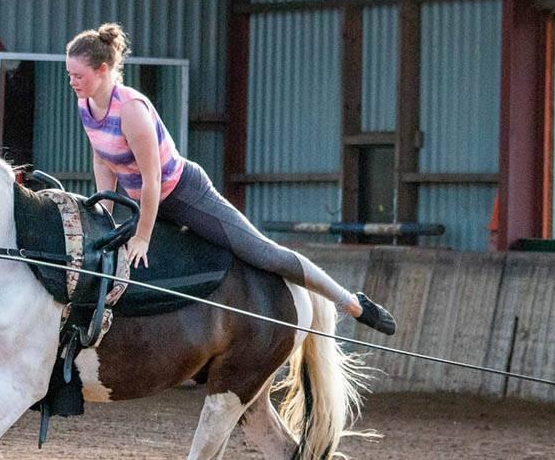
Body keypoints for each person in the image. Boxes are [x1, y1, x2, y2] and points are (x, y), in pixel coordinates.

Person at [65, 23, 396, 335]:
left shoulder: (131, 110)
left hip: (183, 193)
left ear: (103, 70)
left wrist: (142, 238)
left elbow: (152, 180)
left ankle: (351, 302)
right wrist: (104, 213)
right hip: (144, 201)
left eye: (78, 75)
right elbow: (103, 157)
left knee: (264, 254)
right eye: (70, 75)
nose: (72, 82)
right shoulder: (85, 104)